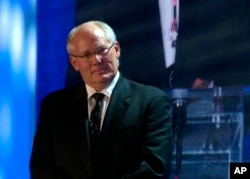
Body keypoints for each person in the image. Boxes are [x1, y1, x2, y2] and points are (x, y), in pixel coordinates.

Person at [29, 20, 173, 179]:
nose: (96, 60)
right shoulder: (55, 106)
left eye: (102, 50)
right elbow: (41, 167)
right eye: (86, 55)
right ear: (74, 63)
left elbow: (155, 167)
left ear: (117, 49)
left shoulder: (151, 101)